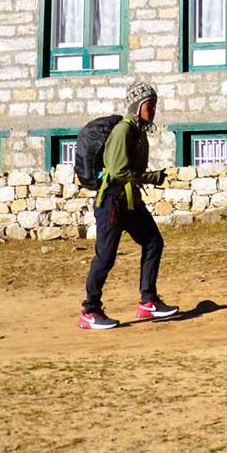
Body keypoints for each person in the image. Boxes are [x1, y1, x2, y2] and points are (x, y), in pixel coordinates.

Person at [78, 82, 179, 330]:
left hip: (129, 200)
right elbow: (119, 171)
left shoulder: (138, 131)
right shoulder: (124, 131)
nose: (153, 110)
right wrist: (153, 178)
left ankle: (148, 301)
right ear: (137, 106)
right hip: (112, 200)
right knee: (105, 257)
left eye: (154, 105)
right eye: (149, 105)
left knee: (153, 241)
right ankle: (89, 311)